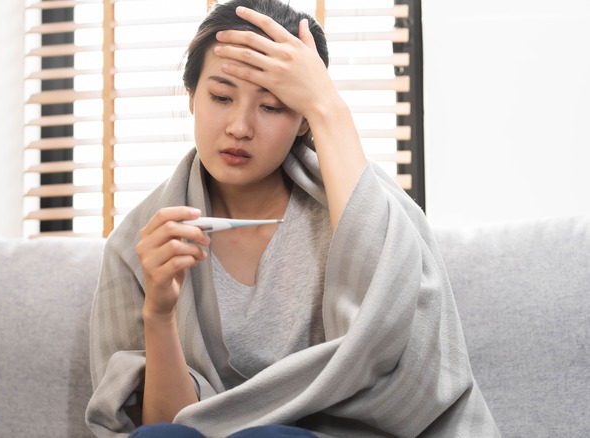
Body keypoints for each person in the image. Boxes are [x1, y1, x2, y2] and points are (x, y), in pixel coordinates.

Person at [85, 0, 499, 437]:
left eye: (273, 106)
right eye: (221, 97)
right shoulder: (141, 241)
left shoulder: (360, 204)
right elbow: (169, 425)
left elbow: (402, 346)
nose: (240, 126)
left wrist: (327, 106)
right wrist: (160, 313)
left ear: (304, 120)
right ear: (191, 98)